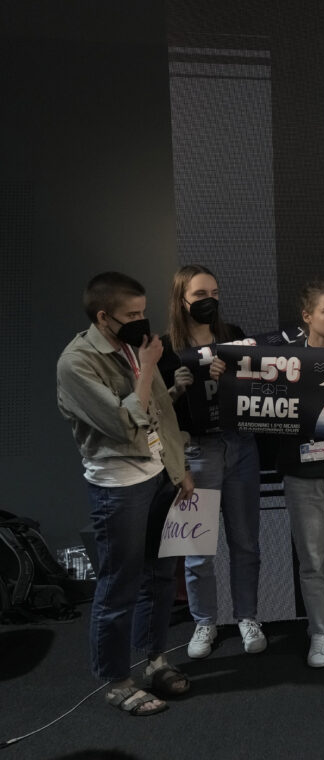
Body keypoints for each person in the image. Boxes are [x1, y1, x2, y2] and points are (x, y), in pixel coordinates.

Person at [57, 272, 194, 716]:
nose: (141, 321)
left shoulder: (133, 347)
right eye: (130, 315)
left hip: (159, 476)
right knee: (119, 585)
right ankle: (116, 679)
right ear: (103, 316)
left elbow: (159, 412)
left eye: (143, 312)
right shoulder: (76, 363)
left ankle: (153, 659)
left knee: (158, 576)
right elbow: (121, 423)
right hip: (118, 486)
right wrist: (151, 365)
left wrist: (179, 468)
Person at [235, 280, 324, 667]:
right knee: (312, 562)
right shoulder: (282, 361)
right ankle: (319, 633)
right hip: (302, 474)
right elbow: (256, 404)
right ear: (307, 317)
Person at [158, 264, 265, 659]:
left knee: (246, 542)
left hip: (240, 446)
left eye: (214, 293)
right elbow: (154, 412)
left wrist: (234, 375)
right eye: (200, 294)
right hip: (195, 453)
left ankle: (247, 616)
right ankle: (204, 621)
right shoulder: (165, 346)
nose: (209, 301)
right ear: (181, 300)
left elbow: (256, 391)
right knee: (197, 548)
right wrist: (177, 388)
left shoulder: (233, 336)